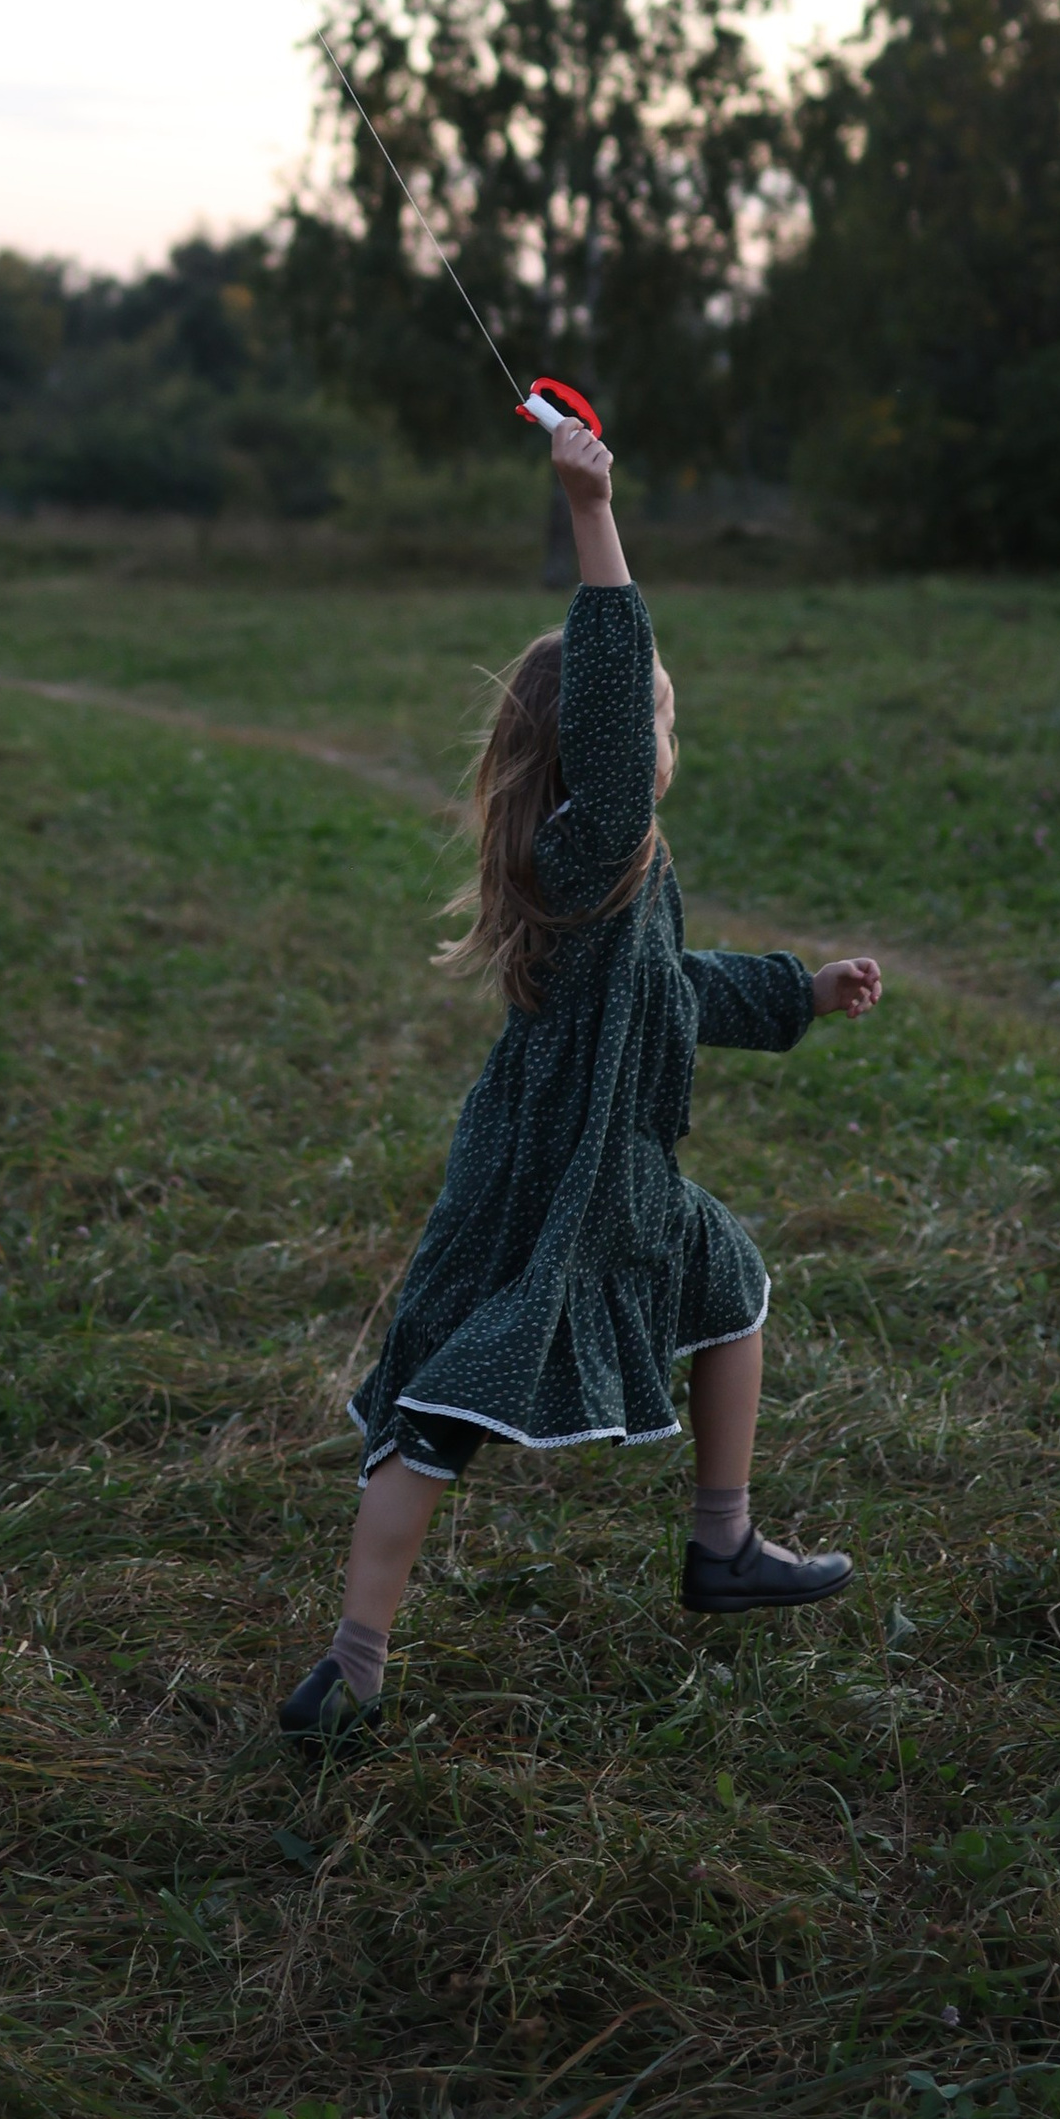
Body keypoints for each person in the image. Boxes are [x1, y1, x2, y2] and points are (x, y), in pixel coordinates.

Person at [278, 409, 882, 1742]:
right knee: (460, 1387)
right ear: (606, 748)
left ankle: (369, 1662)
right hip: (583, 1169)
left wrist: (798, 990)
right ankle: (707, 1545)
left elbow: (666, 990)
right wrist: (591, 511)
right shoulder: (600, 835)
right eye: (656, 713)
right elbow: (612, 685)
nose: (663, 731)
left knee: (676, 1298)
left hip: (533, 1159)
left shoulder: (591, 864)